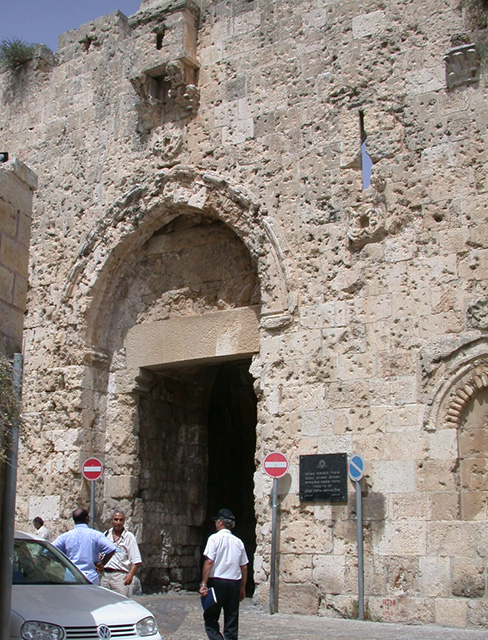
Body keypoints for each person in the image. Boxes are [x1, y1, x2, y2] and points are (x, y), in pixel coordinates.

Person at [199, 508, 248, 640]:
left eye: (216, 521)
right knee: (231, 620)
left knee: (210, 616)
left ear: (221, 522)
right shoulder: (238, 542)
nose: (215, 524)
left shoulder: (214, 539)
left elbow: (209, 561)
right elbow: (244, 566)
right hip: (234, 584)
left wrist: (204, 583)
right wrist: (242, 588)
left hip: (217, 583)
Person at [51, 507, 116, 585]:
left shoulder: (65, 536)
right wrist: (102, 563)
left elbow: (50, 550)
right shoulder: (95, 535)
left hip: (71, 577)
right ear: (87, 518)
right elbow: (111, 548)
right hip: (90, 577)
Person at [99, 509, 142, 597]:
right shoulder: (106, 535)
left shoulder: (129, 537)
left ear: (124, 521)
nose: (118, 522)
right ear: (111, 521)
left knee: (121, 603)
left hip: (120, 576)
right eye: (116, 519)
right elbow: (99, 551)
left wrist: (131, 575)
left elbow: (136, 560)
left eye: (120, 520)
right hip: (105, 576)